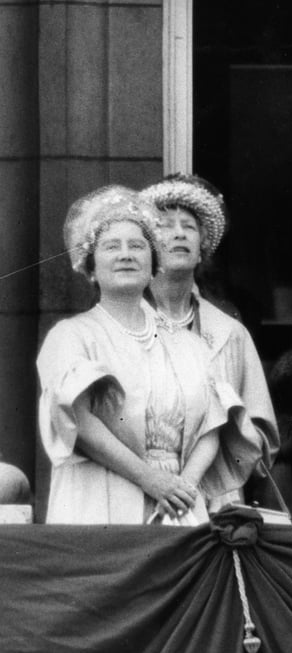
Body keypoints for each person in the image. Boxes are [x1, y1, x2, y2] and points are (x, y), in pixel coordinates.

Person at [37, 185, 230, 524]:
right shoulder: (71, 336)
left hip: (178, 507)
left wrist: (182, 488)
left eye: (138, 246)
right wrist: (151, 480)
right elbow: (78, 421)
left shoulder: (190, 345)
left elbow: (212, 426)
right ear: (91, 267)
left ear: (153, 265)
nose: (126, 254)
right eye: (112, 246)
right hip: (101, 500)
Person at [140, 174, 278, 509]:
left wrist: (229, 450)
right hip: (140, 487)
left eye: (188, 226)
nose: (178, 233)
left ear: (203, 248)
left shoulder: (230, 331)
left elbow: (261, 433)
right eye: (164, 225)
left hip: (215, 496)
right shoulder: (121, 325)